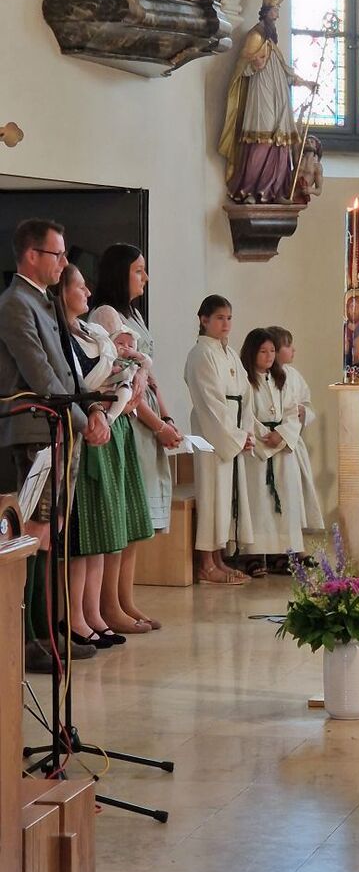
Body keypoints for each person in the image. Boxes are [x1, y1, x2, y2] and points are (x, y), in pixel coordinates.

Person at [0, 220, 108, 671]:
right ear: (31, 256)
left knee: (52, 534)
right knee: (34, 534)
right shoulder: (15, 303)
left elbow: (69, 367)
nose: (64, 263)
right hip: (35, 431)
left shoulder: (44, 301)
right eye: (57, 254)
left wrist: (94, 409)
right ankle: (26, 639)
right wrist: (83, 421)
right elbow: (40, 374)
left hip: (61, 427)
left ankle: (48, 633)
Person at [55, 264, 153, 646]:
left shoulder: (90, 330)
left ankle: (95, 611)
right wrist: (103, 398)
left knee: (103, 532)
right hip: (83, 428)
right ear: (61, 292)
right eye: (79, 287)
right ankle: (75, 616)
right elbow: (81, 380)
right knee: (87, 534)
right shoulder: (63, 333)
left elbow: (128, 365)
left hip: (106, 420)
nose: (87, 292)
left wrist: (129, 372)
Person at [89, 244, 182, 632]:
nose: (145, 277)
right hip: (129, 419)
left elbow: (149, 377)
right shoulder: (105, 314)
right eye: (138, 270)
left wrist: (167, 416)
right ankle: (110, 605)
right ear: (119, 272)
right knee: (124, 518)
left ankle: (125, 600)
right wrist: (157, 425)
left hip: (147, 419)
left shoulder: (135, 314)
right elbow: (122, 379)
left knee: (136, 521)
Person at [218, 0, 316, 204]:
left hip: (278, 97)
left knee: (280, 141)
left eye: (279, 10)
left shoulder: (272, 41)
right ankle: (251, 191)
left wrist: (306, 83)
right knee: (261, 139)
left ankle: (275, 191)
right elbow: (243, 67)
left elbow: (285, 71)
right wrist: (255, 63)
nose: (278, 15)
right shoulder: (255, 36)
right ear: (266, 12)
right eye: (275, 10)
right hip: (261, 95)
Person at [184, 296, 256, 584]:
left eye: (229, 318)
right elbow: (209, 402)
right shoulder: (200, 354)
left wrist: (245, 432)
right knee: (212, 493)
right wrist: (235, 436)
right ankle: (205, 563)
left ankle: (218, 559)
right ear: (204, 320)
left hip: (231, 431)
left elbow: (245, 394)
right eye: (219, 318)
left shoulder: (230, 353)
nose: (226, 324)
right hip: (211, 433)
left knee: (226, 497)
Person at [240, 328, 305, 574]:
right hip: (258, 451)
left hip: (281, 449)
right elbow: (246, 413)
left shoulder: (282, 379)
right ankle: (254, 554)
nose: (269, 356)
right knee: (258, 503)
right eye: (263, 351)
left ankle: (282, 552)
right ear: (252, 353)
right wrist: (265, 436)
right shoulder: (245, 381)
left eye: (272, 351)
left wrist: (282, 434)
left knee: (284, 502)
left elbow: (292, 411)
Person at [266, 326, 324, 537]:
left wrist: (303, 412)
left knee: (293, 494)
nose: (293, 350)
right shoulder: (262, 376)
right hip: (271, 442)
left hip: (292, 444)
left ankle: (294, 539)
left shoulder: (294, 376)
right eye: (288, 345)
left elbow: (307, 405)